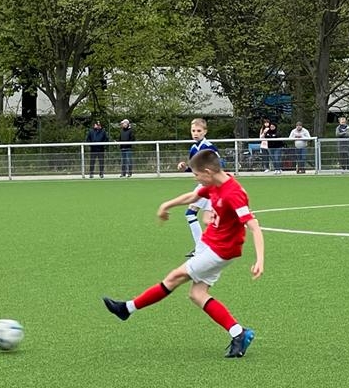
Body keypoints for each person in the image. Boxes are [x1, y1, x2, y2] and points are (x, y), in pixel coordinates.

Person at [102, 149, 263, 359]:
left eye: (196, 175)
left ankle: (127, 309)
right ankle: (238, 333)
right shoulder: (214, 183)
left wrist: (260, 260)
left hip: (221, 250)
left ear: (207, 172)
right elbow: (193, 196)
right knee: (197, 294)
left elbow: (254, 226)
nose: (195, 178)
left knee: (174, 276)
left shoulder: (233, 193)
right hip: (208, 243)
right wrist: (166, 205)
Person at [176, 118, 218, 257]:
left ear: (205, 132)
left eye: (199, 131)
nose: (195, 133)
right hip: (204, 185)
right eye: (193, 130)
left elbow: (219, 165)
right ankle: (204, 247)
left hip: (211, 186)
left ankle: (202, 248)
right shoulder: (194, 148)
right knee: (203, 218)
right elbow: (193, 168)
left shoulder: (209, 147)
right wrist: (185, 167)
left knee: (194, 215)